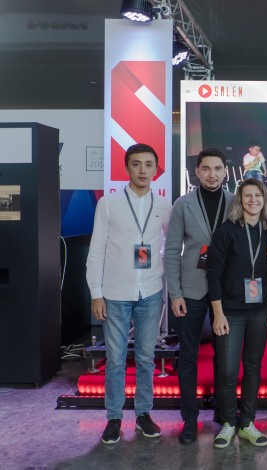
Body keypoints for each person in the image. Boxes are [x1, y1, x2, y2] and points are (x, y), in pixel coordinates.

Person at [86, 143, 172, 445]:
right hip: (115, 292)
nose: (142, 170)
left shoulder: (164, 205)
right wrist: (96, 293)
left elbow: (173, 245)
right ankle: (113, 417)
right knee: (116, 359)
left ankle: (143, 413)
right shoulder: (108, 204)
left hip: (150, 290)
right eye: (136, 164)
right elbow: (96, 249)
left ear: (156, 169)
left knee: (147, 358)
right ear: (127, 168)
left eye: (148, 165)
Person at [164, 147, 233, 445]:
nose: (212, 174)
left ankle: (223, 412)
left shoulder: (236, 202)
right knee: (188, 356)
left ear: (225, 172)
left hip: (226, 291)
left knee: (225, 356)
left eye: (217, 169)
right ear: (197, 172)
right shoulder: (183, 204)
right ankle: (189, 418)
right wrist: (175, 293)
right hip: (191, 290)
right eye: (206, 168)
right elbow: (171, 250)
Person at [207, 178, 267, 448]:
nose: (253, 200)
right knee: (227, 370)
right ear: (240, 200)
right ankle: (228, 422)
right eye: (247, 196)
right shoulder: (226, 231)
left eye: (257, 195)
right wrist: (218, 313)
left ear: (264, 198)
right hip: (230, 312)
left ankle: (247, 422)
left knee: (252, 366)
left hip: (260, 310)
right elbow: (213, 274)